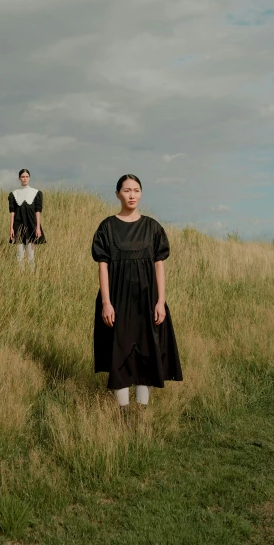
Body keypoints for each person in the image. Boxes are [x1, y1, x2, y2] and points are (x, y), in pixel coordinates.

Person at [92, 175, 182, 416]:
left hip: (147, 300)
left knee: (146, 352)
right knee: (118, 352)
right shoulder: (107, 227)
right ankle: (123, 416)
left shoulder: (152, 227)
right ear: (117, 194)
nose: (132, 195)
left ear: (141, 193)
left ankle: (141, 416)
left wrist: (160, 301)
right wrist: (106, 302)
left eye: (136, 190)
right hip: (117, 300)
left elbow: (159, 266)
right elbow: (103, 266)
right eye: (127, 190)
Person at [8, 169, 46, 268]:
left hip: (32, 226)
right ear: (19, 178)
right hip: (18, 226)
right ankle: (20, 277)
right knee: (19, 254)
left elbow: (37, 211)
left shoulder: (36, 193)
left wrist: (38, 228)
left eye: (26, 177)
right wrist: (11, 228)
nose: (25, 179)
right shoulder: (14, 194)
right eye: (23, 177)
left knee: (31, 255)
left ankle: (32, 277)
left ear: (29, 178)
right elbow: (12, 212)